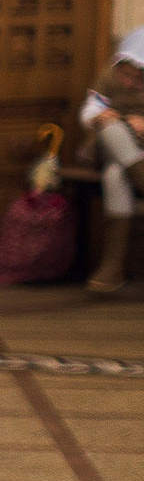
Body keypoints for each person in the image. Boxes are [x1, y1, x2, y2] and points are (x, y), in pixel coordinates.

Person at [81, 26, 144, 293]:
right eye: (125, 73)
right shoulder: (108, 77)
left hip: (137, 150)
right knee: (113, 130)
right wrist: (98, 116)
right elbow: (90, 109)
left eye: (137, 76)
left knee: (115, 175)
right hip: (108, 143)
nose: (129, 81)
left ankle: (112, 265)